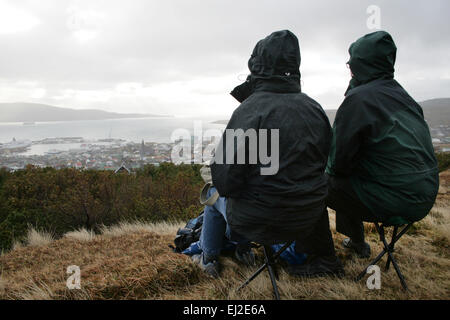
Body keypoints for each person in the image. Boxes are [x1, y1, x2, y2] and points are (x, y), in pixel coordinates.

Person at [196, 30, 344, 278]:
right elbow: (327, 164)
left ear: (258, 65)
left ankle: (208, 257)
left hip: (256, 221)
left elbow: (226, 181)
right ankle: (245, 252)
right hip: (306, 217)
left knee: (212, 193)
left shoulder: (250, 110)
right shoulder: (315, 109)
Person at [324, 31, 439, 258]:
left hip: (394, 199)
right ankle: (356, 242)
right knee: (348, 177)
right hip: (424, 196)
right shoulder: (405, 97)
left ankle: (320, 256)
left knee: (318, 182)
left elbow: (338, 164)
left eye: (351, 63)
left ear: (359, 65)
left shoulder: (358, 101)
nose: (349, 68)